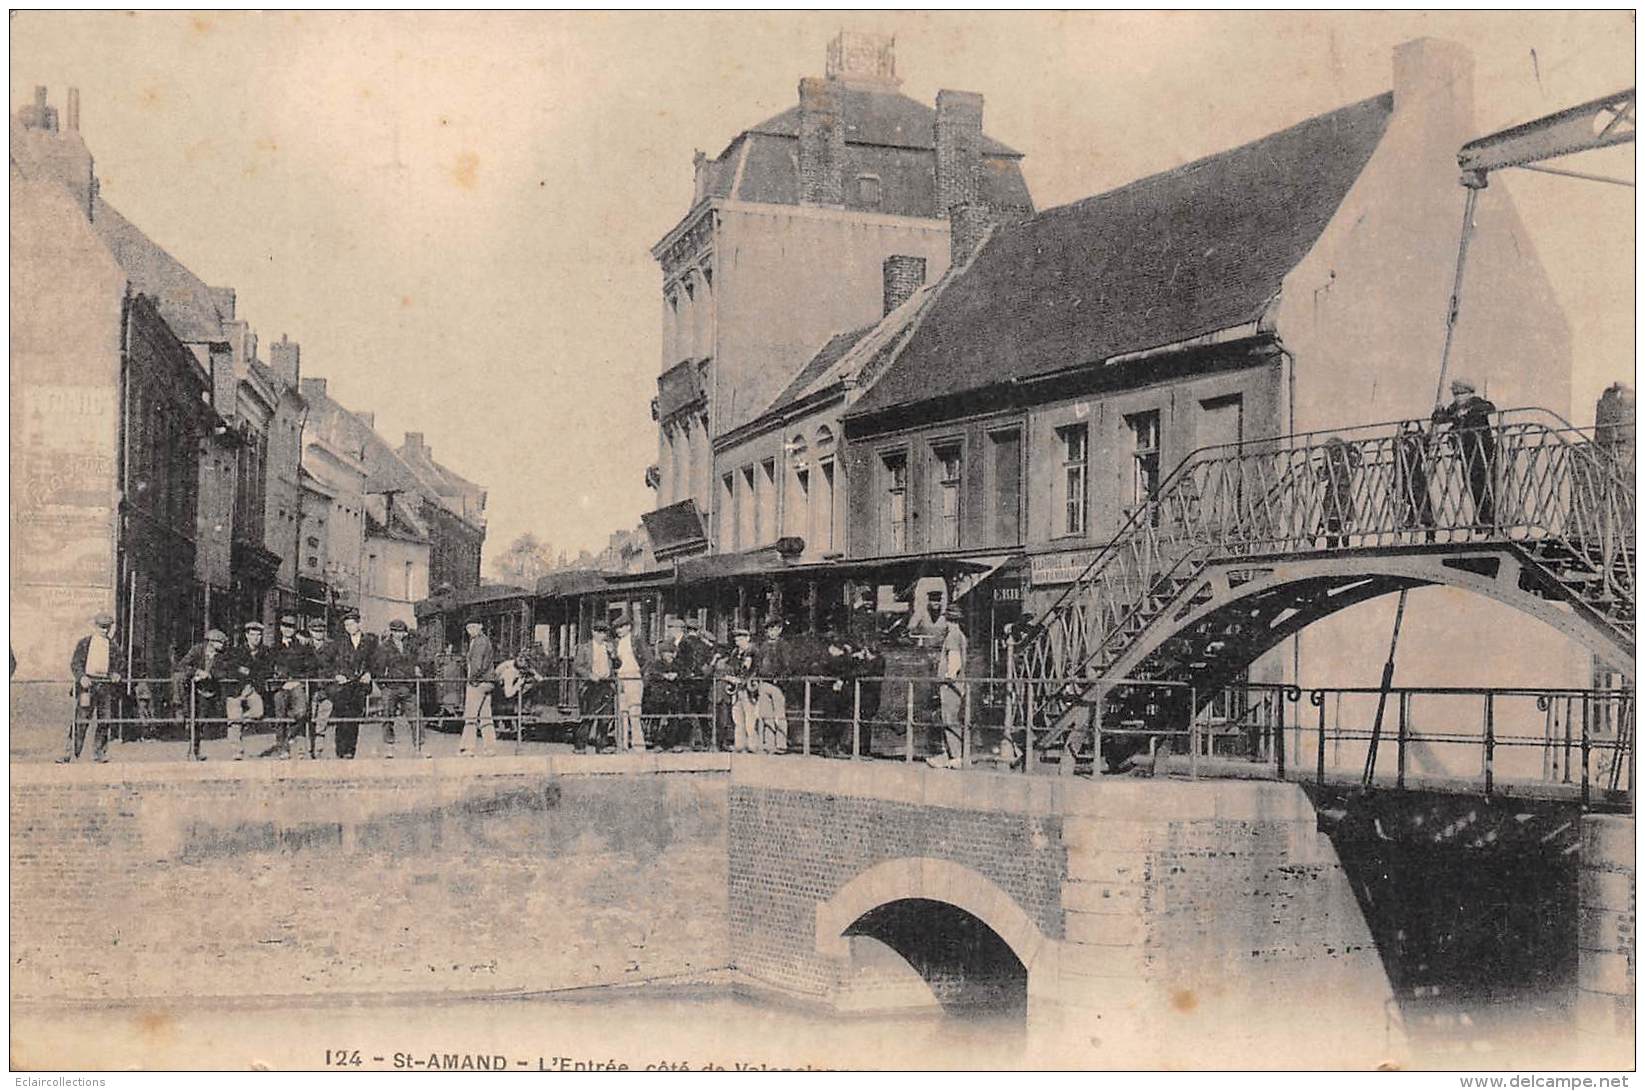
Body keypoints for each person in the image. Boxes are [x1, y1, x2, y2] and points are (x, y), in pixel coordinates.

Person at [1432, 378, 1499, 531]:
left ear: (1468, 394)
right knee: (1472, 484)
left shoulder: (1476, 402)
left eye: (1460, 394)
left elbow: (1490, 408)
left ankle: (1489, 520)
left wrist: (1468, 411)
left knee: (1484, 484)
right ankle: (1482, 520)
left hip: (1482, 451)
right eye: (1455, 394)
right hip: (1466, 453)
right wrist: (1438, 411)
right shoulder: (1455, 407)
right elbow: (1439, 420)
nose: (1457, 397)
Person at [63, 613, 123, 764]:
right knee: (81, 719)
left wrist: (116, 674)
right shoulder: (84, 643)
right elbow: (75, 663)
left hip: (105, 686)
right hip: (87, 686)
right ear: (95, 627)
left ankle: (99, 753)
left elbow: (120, 664)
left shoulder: (113, 646)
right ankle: (70, 753)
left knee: (105, 720)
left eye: (107, 628)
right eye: (102, 627)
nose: (104, 631)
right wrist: (82, 677)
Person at [321, 610, 376, 760]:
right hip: (343, 685)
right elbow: (325, 662)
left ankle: (350, 751)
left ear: (359, 624)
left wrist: (369, 673)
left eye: (352, 624)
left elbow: (375, 661)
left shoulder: (369, 642)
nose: (349, 627)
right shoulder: (338, 642)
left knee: (354, 718)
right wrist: (336, 675)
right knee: (341, 717)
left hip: (359, 685)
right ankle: (340, 750)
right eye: (346, 625)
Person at [173, 629, 232, 761]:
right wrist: (197, 672)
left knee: (200, 721)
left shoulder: (223, 655)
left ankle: (195, 750)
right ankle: (179, 709)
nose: (222, 645)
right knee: (178, 677)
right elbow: (182, 665)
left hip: (208, 691)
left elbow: (225, 672)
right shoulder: (197, 650)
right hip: (191, 689)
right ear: (211, 642)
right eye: (220, 642)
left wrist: (209, 675)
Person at [222, 620, 273, 761]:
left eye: (258, 635)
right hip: (235, 690)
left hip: (251, 689)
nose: (256, 638)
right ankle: (237, 750)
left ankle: (239, 721)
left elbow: (266, 671)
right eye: (252, 635)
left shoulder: (265, 652)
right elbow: (230, 668)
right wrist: (244, 674)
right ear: (246, 635)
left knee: (258, 712)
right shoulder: (236, 650)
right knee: (234, 713)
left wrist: (248, 674)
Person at [263, 615, 312, 759]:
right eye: (285, 626)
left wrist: (300, 680)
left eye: (291, 626)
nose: (287, 629)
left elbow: (310, 666)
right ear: (280, 628)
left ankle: (291, 737)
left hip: (296, 684)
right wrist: (277, 679)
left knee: (302, 712)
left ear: (295, 629)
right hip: (281, 687)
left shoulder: (302, 647)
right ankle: (282, 747)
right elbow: (268, 668)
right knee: (280, 716)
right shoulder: (274, 648)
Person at [374, 618, 422, 758]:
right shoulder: (384, 647)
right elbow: (377, 668)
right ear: (391, 632)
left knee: (415, 716)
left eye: (402, 632)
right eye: (396, 631)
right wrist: (383, 686)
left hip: (407, 687)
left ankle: (419, 746)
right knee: (388, 716)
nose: (399, 635)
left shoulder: (410, 646)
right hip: (391, 687)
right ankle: (389, 746)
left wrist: (416, 671)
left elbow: (416, 662)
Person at [931, 606, 970, 768]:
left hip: (951, 686)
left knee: (949, 719)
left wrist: (948, 677)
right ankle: (949, 754)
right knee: (951, 718)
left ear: (948, 620)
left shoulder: (952, 637)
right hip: (958, 685)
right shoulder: (961, 636)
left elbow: (954, 661)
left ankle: (955, 756)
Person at [572, 620, 617, 754]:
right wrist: (589, 675)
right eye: (599, 631)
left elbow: (618, 665)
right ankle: (580, 747)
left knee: (605, 717)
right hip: (591, 685)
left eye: (604, 632)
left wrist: (613, 655)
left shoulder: (608, 648)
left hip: (606, 683)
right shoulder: (584, 647)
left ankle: (601, 746)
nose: (602, 635)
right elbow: (577, 666)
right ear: (593, 632)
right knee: (588, 716)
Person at [673, 617, 717, 751]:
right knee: (702, 712)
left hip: (687, 683)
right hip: (702, 683)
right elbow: (708, 664)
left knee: (687, 712)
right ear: (697, 631)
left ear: (687, 630)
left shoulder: (683, 644)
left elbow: (679, 663)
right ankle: (706, 742)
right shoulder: (705, 645)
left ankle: (688, 742)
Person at [753, 616, 792, 754]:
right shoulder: (763, 646)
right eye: (769, 629)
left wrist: (781, 679)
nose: (772, 632)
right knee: (766, 714)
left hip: (777, 684)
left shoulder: (783, 645)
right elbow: (758, 664)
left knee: (780, 714)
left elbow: (787, 665)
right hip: (764, 683)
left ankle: (781, 744)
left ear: (780, 630)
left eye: (774, 629)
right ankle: (769, 743)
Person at [611, 613, 650, 751]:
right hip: (621, 678)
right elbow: (615, 663)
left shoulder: (636, 641)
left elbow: (647, 659)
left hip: (633, 677)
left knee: (634, 711)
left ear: (628, 627)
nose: (618, 630)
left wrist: (640, 673)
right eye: (616, 628)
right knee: (622, 712)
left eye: (621, 627)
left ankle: (638, 744)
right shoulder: (616, 643)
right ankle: (623, 744)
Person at [1317, 436, 1362, 548]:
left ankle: (1341, 541)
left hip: (1342, 492)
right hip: (1334, 492)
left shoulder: (1346, 456)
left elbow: (1355, 461)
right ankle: (1337, 542)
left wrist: (1349, 449)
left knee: (1339, 519)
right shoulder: (1331, 460)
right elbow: (1324, 475)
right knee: (1334, 522)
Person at [459, 620, 496, 756]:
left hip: (478, 683)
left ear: (480, 626)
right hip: (487, 682)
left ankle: (467, 748)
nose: (470, 630)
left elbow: (477, 665)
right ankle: (490, 747)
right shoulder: (485, 640)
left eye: (473, 627)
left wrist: (472, 680)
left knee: (471, 716)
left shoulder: (479, 642)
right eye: (468, 627)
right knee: (486, 716)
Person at [1395, 420, 1435, 541]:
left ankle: (1427, 532)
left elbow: (1427, 440)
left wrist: (1432, 426)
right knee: (1418, 502)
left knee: (1421, 502)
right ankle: (1422, 528)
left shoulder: (1417, 442)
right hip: (1406, 477)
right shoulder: (1403, 443)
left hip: (1416, 476)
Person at [722, 627, 760, 753]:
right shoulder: (735, 653)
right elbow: (732, 667)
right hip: (736, 689)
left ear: (748, 639)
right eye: (737, 639)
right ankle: (740, 745)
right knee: (737, 718)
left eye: (741, 639)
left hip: (749, 689)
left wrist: (741, 680)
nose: (738, 641)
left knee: (750, 718)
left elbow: (751, 670)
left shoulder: (752, 651)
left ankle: (752, 745)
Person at [643, 643, 687, 751]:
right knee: (657, 719)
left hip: (675, 696)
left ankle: (673, 743)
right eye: (666, 653)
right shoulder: (656, 664)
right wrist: (663, 676)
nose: (669, 655)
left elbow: (687, 673)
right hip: (659, 696)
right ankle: (657, 743)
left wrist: (677, 675)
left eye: (671, 653)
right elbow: (651, 674)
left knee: (675, 720)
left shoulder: (679, 664)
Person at [305, 619, 335, 756]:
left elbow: (336, 665)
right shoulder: (305, 646)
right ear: (310, 632)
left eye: (321, 631)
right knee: (310, 716)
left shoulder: (332, 646)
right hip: (310, 686)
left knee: (323, 715)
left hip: (326, 687)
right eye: (315, 631)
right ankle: (309, 746)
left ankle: (319, 746)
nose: (318, 634)